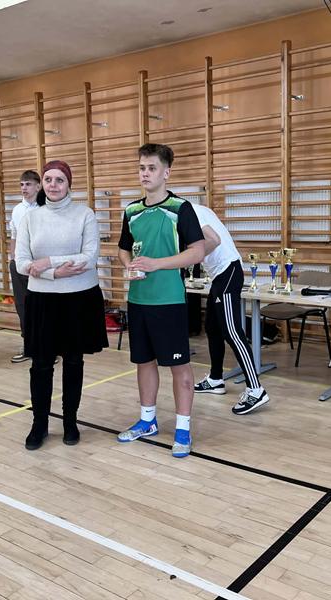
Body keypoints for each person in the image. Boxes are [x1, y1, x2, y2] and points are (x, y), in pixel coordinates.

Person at [117, 143, 205, 458]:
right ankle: (148, 421)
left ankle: (183, 428)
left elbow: (197, 252)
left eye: (152, 168)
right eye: (141, 168)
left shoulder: (181, 209)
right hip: (138, 300)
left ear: (166, 172)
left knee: (179, 366)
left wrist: (157, 264)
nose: (145, 173)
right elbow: (123, 248)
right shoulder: (131, 211)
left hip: (169, 301)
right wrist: (129, 265)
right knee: (144, 362)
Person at [15, 160, 107, 450]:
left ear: (69, 184)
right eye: (48, 179)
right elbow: (21, 263)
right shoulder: (30, 218)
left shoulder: (85, 214)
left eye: (59, 180)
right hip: (42, 300)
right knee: (41, 364)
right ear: (42, 184)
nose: (53, 185)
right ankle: (39, 423)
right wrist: (55, 273)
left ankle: (70, 422)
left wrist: (47, 262)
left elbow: (89, 257)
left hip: (79, 298)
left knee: (73, 361)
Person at [190, 202, 270, 415]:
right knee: (213, 327)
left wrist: (191, 256)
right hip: (219, 275)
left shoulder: (189, 211)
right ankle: (215, 379)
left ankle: (256, 389)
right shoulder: (197, 209)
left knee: (232, 332)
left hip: (228, 271)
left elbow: (214, 240)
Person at [9, 170, 42, 363]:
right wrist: (13, 259)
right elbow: (13, 235)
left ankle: (47, 348)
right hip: (19, 265)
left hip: (39, 265)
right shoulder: (17, 209)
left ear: (38, 186)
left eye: (28, 184)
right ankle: (28, 345)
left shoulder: (44, 208)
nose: (24, 188)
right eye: (22, 184)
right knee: (22, 306)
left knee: (41, 306)